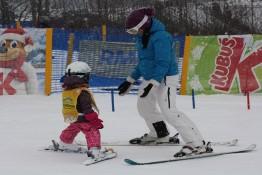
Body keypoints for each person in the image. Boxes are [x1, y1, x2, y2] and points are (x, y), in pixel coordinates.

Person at [118, 7, 213, 157]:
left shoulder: (161, 37)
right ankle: (159, 134)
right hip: (152, 78)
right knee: (144, 106)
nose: (134, 34)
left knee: (169, 111)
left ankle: (196, 144)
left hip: (166, 78)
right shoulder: (143, 36)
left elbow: (163, 62)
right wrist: (130, 80)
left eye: (134, 30)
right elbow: (144, 62)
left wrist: (153, 83)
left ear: (143, 25)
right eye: (130, 31)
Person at [58, 61, 107, 163]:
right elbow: (87, 110)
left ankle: (64, 142)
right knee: (92, 131)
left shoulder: (67, 90)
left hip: (74, 118)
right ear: (85, 77)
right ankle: (95, 150)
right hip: (84, 119)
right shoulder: (83, 92)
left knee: (72, 129)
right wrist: (95, 121)